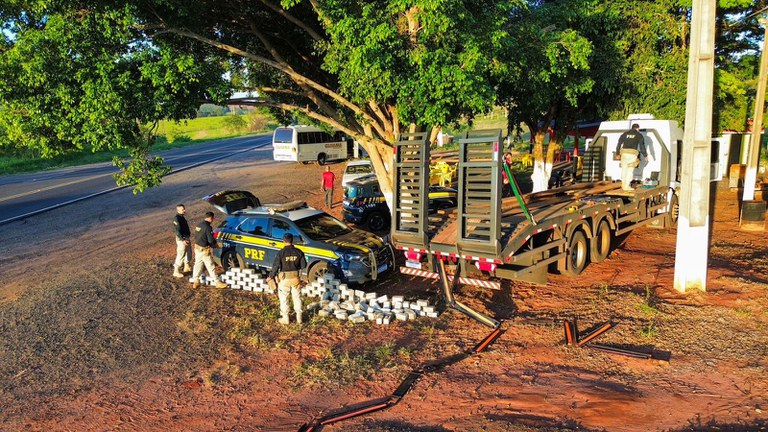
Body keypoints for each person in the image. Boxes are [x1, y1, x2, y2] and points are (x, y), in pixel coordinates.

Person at [267, 233, 307, 325]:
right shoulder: (299, 252)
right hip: (295, 278)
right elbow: (303, 265)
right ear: (292, 241)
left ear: (283, 241)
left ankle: (286, 319)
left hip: (284, 279)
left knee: (284, 298)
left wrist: (270, 277)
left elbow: (275, 266)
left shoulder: (281, 253)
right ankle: (299, 319)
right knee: (297, 297)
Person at [191, 211, 228, 289]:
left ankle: (196, 281)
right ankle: (217, 282)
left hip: (197, 248)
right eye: (213, 219)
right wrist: (215, 245)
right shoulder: (208, 227)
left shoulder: (199, 225)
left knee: (197, 265)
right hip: (204, 250)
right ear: (211, 218)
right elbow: (210, 240)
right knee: (211, 266)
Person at [615, 124, 652, 191]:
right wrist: (645, 155)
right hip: (632, 154)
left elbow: (619, 143)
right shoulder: (639, 135)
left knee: (624, 169)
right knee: (630, 169)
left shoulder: (624, 134)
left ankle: (623, 184)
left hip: (624, 153)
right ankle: (626, 186)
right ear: (637, 128)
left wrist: (617, 153)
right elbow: (642, 146)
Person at [172, 204, 192, 278]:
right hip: (182, 239)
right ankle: (176, 271)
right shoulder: (177, 218)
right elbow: (178, 230)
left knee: (188, 253)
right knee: (181, 254)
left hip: (186, 238)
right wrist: (182, 239)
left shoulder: (182, 218)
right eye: (183, 209)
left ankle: (187, 267)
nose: (184, 210)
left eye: (184, 209)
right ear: (178, 210)